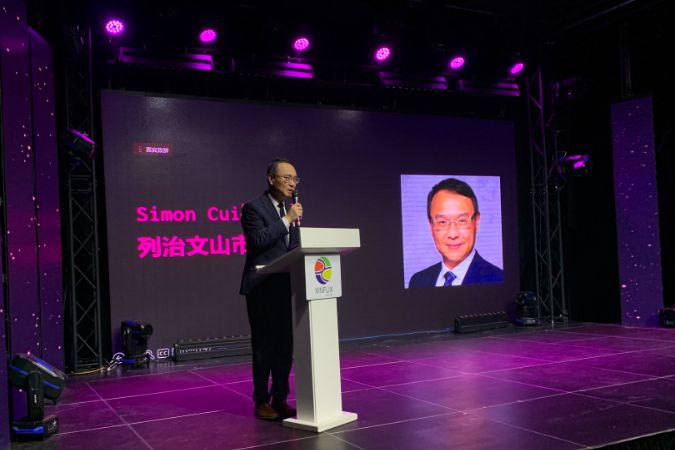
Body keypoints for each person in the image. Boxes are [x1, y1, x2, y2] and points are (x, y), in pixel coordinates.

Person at [239, 158, 303, 420]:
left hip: (285, 285)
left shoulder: (290, 210)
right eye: (286, 177)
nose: (292, 183)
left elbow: (293, 247)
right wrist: (288, 219)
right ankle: (261, 401)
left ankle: (280, 398)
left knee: (284, 346)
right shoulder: (254, 208)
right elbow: (257, 240)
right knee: (264, 346)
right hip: (262, 287)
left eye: (295, 179)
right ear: (271, 179)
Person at [408, 178, 503, 288]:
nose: (453, 234)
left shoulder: (498, 279)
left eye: (461, 221)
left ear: (476, 222)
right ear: (431, 225)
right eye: (442, 222)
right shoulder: (418, 281)